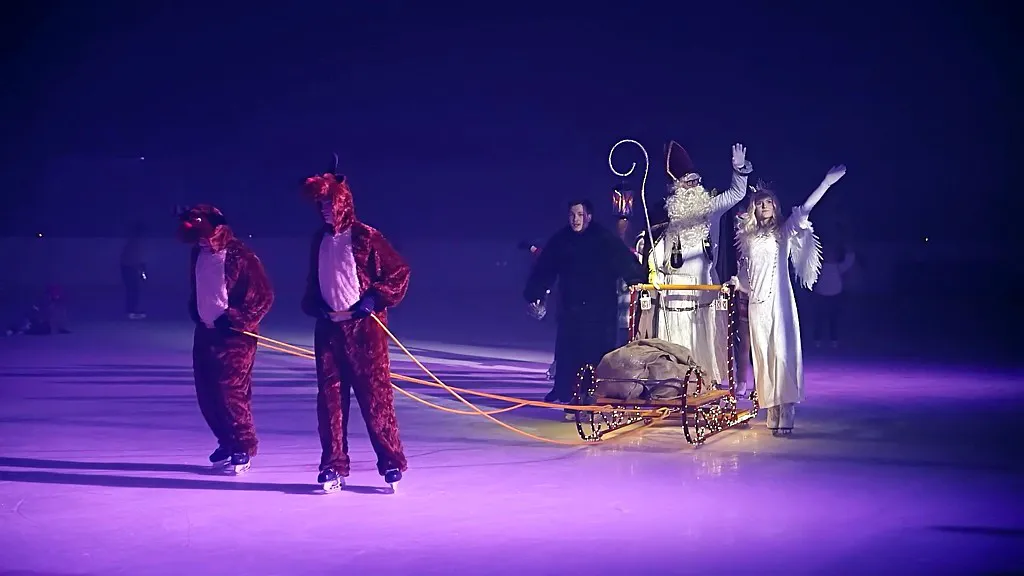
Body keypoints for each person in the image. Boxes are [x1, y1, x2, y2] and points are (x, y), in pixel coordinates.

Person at [301, 156, 411, 493]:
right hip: (330, 332)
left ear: (343, 203)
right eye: (321, 206)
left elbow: (399, 272)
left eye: (329, 204)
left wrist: (374, 299)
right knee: (330, 403)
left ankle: (391, 462)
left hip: (365, 332)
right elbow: (315, 282)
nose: (325, 211)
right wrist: (316, 305)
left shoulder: (365, 236)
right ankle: (333, 465)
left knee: (375, 399)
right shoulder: (319, 240)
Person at [731, 166, 847, 435]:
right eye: (759, 203)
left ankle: (787, 405)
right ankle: (771, 405)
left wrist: (826, 183)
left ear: (775, 206)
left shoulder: (783, 232)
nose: (764, 206)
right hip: (757, 304)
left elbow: (804, 211)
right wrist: (738, 283)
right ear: (753, 209)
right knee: (763, 354)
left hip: (780, 303)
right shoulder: (748, 239)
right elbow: (747, 274)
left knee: (783, 352)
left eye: (768, 202)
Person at [178, 204, 274, 473]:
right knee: (207, 393)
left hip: (235, 336)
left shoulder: (239, 255)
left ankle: (243, 444)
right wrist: (198, 312)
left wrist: (235, 318)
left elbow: (264, 296)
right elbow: (200, 288)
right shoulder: (198, 253)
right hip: (206, 332)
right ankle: (227, 440)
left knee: (231, 391)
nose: (199, 238)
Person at [647, 142, 752, 386]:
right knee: (675, 335)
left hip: (704, 284)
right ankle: (673, 383)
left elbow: (736, 194)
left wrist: (739, 170)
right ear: (677, 186)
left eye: (696, 181)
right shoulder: (667, 212)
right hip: (674, 286)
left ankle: (705, 381)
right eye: (688, 182)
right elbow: (656, 246)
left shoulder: (710, 208)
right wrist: (655, 271)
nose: (694, 186)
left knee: (704, 333)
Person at [524, 199, 646, 404]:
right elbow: (545, 268)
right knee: (567, 351)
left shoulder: (603, 239)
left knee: (595, 353)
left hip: (600, 310)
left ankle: (594, 392)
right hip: (571, 307)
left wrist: (636, 280)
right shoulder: (562, 240)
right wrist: (534, 293)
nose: (575, 220)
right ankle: (564, 390)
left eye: (580, 215)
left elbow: (625, 261)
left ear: (589, 216)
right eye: (572, 215)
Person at [812, 243, 856, 348]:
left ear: (836, 256)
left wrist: (849, 248)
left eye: (832, 254)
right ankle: (817, 339)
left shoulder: (838, 267)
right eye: (828, 254)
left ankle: (833, 339)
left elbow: (849, 261)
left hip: (835, 295)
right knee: (820, 317)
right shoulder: (820, 267)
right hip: (822, 295)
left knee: (833, 318)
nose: (830, 256)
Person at [120, 222, 147, 320]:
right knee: (133, 289)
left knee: (132, 289)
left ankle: (131, 310)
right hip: (130, 268)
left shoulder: (133, 242)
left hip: (128, 268)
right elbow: (136, 258)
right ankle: (131, 311)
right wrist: (142, 271)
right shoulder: (136, 243)